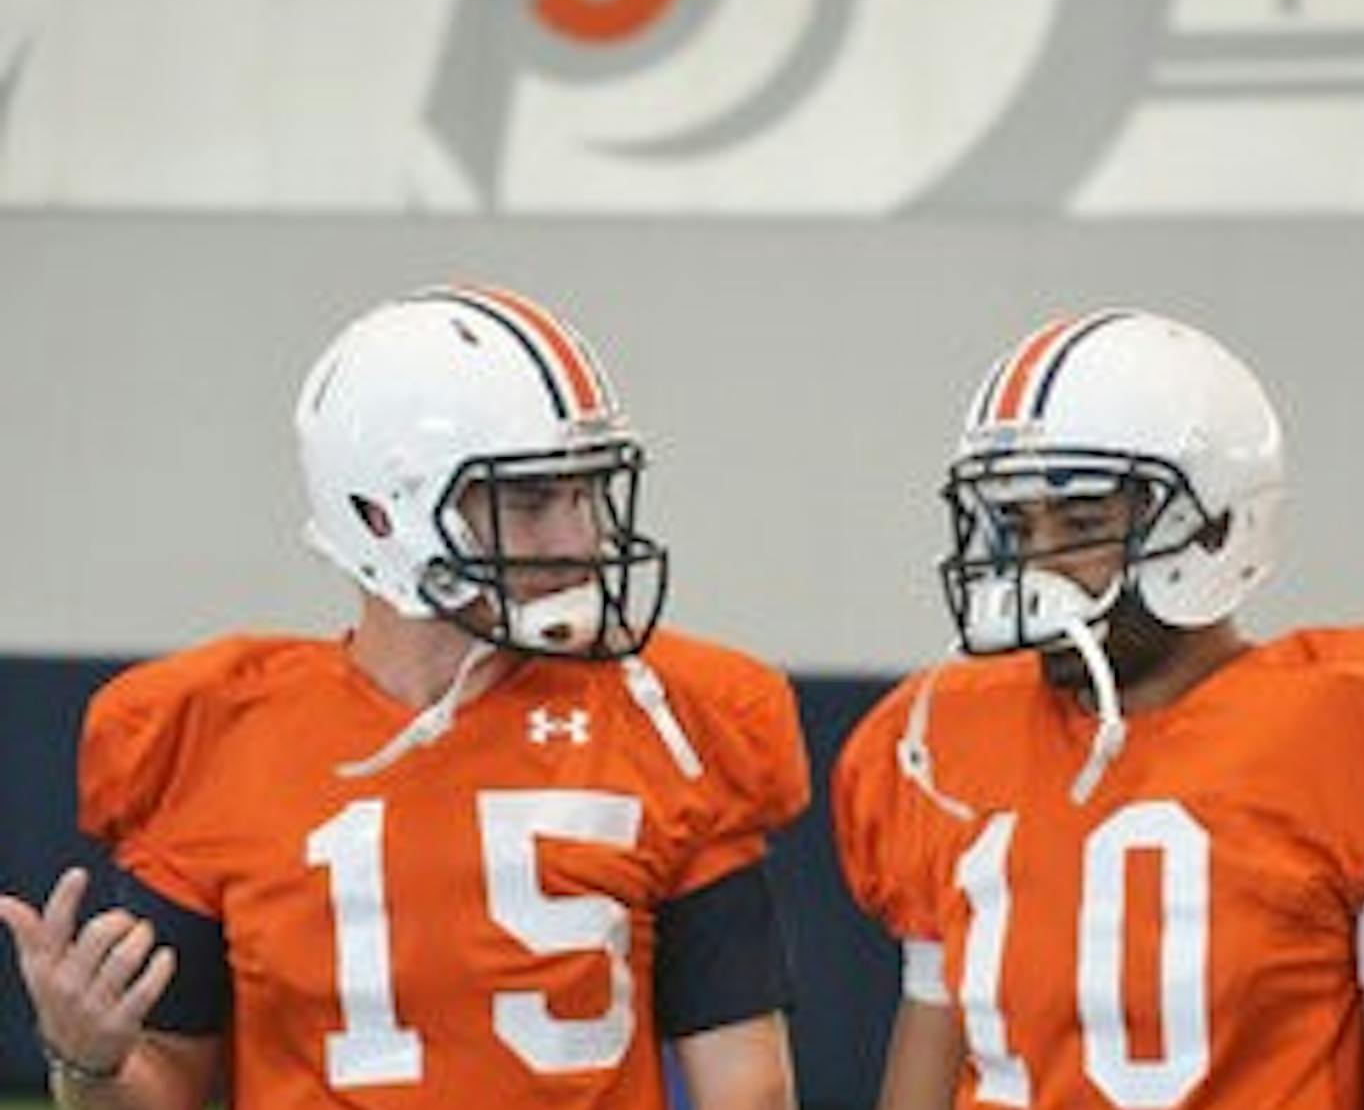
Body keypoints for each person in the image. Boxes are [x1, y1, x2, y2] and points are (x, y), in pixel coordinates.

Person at [0, 284, 809, 1109]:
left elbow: (749, 1084)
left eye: (585, 493)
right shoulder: (212, 734)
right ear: (386, 513)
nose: (582, 539)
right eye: (532, 501)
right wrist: (88, 1062)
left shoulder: (664, 715)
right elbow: (162, 1086)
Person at [832, 310, 1364, 1109]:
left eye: (1080, 523)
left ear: (1213, 524)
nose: (1035, 559)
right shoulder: (939, 742)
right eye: (1015, 523)